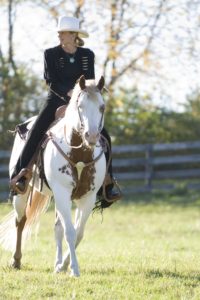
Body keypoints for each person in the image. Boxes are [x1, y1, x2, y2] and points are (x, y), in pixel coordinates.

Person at [10, 16, 121, 202]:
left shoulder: (88, 55)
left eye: (63, 32)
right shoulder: (50, 54)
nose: (60, 35)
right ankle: (20, 175)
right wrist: (70, 93)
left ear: (74, 35)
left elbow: (90, 82)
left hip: (82, 103)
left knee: (105, 136)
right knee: (36, 131)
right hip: (55, 101)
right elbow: (51, 81)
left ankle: (108, 183)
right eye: (59, 32)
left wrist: (81, 96)